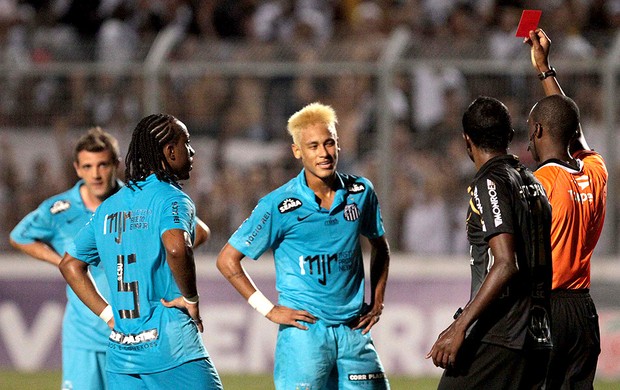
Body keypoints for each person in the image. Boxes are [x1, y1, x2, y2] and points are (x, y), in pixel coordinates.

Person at [216, 102, 391, 389]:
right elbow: (227, 260)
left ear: (338, 145)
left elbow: (380, 246)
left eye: (329, 143)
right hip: (305, 335)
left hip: (354, 332)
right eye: (313, 146)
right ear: (297, 151)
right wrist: (268, 309)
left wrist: (378, 299)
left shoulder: (361, 192)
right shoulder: (278, 205)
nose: (324, 153)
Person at [59, 114, 222, 390]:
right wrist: (191, 298)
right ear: (170, 151)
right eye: (187, 143)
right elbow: (176, 246)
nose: (191, 151)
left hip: (122, 355)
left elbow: (69, 264)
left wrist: (108, 314)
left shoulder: (109, 207)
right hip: (172, 349)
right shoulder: (172, 198)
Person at [426, 96, 554, 389]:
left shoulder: (490, 183)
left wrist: (460, 326)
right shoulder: (534, 183)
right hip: (538, 336)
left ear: (466, 140)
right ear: (509, 137)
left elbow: (506, 263)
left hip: (501, 334)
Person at [10, 127, 122, 390]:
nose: (95, 174)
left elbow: (195, 231)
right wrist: (60, 261)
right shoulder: (60, 209)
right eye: (88, 166)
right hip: (84, 334)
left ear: (116, 164)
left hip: (131, 332)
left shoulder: (134, 202)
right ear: (77, 169)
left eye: (103, 165)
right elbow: (19, 236)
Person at [525, 28, 607, 389]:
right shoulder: (596, 170)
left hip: (548, 308)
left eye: (531, 129)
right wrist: (545, 69)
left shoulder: (540, 183)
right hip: (583, 311)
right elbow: (573, 130)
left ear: (539, 130)